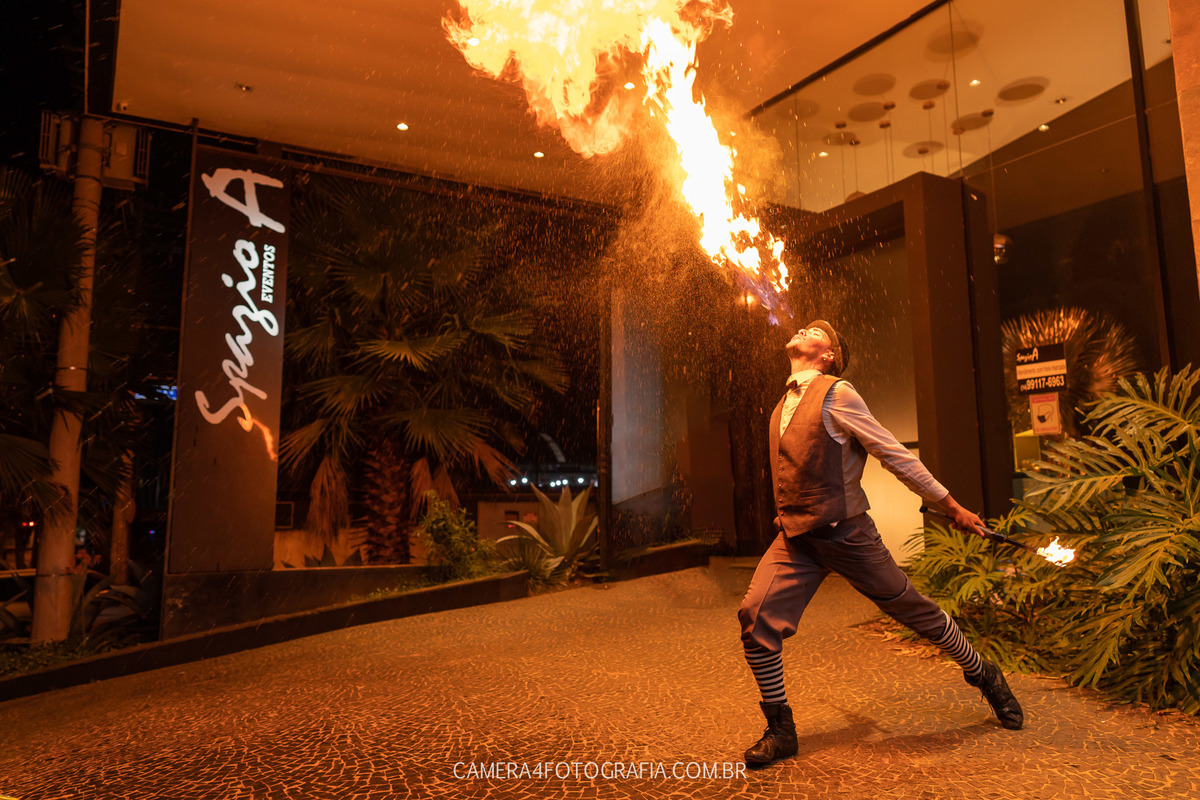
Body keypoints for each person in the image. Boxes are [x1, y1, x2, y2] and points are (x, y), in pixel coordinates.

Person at [737, 319, 1023, 767]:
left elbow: (894, 454)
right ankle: (781, 729)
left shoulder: (838, 393)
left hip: (848, 535)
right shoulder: (781, 406)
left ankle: (982, 672)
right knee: (755, 619)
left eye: (818, 332)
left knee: (916, 611)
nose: (805, 329)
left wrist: (950, 507)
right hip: (796, 539)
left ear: (827, 355)